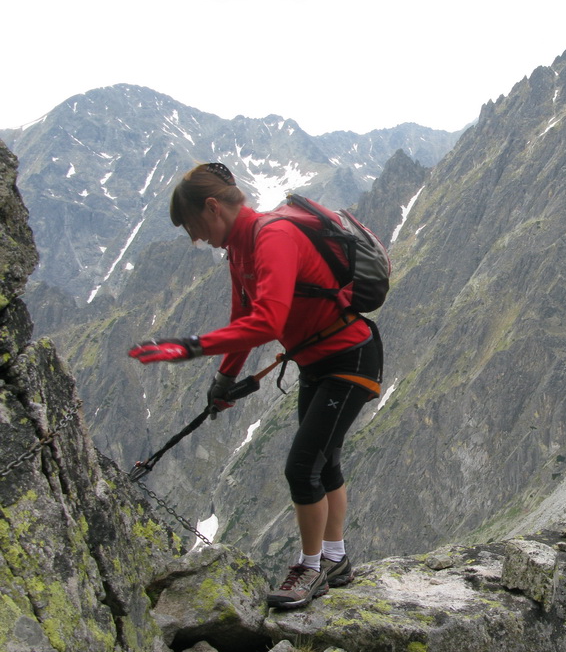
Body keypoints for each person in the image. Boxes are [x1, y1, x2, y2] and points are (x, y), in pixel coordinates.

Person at [128, 161, 380, 609]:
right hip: (318, 361)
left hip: (350, 357)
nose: (194, 238)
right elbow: (243, 321)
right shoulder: (240, 250)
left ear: (212, 207)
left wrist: (190, 346)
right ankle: (336, 559)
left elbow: (267, 321)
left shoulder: (273, 236)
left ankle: (310, 569)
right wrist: (224, 378)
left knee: (302, 468)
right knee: (324, 462)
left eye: (192, 225)